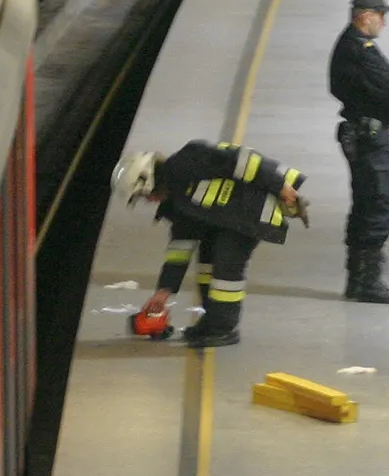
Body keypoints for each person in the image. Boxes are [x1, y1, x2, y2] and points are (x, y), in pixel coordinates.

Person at [111, 141, 309, 348]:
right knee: (207, 262)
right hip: (229, 217)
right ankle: (212, 321)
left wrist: (280, 186)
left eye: (144, 194)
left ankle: (224, 328)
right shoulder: (174, 201)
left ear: (148, 179)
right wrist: (164, 290)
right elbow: (181, 244)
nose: (149, 200)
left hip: (253, 206)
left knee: (227, 261)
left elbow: (243, 162)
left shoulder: (187, 160)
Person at [330, 0, 389, 304]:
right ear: (366, 16)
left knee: (366, 204)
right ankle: (366, 280)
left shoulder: (351, 46)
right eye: (382, 15)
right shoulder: (359, 49)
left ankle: (358, 278)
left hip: (363, 135)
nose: (384, 23)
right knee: (380, 203)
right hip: (368, 137)